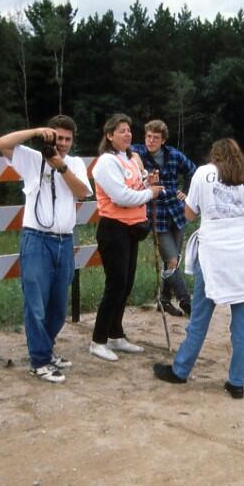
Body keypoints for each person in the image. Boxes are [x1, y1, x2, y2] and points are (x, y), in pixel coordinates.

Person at [152, 138, 244, 399]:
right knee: (242, 322)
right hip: (241, 254)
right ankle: (237, 382)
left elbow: (189, 214)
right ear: (238, 154)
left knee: (200, 317)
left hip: (214, 254)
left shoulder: (203, 174)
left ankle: (181, 370)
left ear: (214, 155)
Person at [0, 115, 92, 383]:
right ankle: (39, 361)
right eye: (57, 138)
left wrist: (60, 167)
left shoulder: (73, 163)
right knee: (36, 303)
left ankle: (46, 351)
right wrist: (36, 131)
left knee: (58, 306)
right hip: (36, 238)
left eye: (67, 139)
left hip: (64, 240)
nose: (61, 143)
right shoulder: (32, 159)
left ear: (73, 141)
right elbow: (1, 143)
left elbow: (83, 193)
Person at [89, 114, 164, 361]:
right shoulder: (105, 163)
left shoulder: (131, 158)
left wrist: (147, 183)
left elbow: (135, 186)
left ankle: (116, 334)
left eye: (129, 130)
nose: (128, 134)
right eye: (121, 130)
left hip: (131, 228)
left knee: (126, 283)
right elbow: (121, 196)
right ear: (109, 135)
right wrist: (149, 194)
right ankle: (98, 340)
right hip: (113, 229)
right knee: (115, 284)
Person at [130, 119, 197, 318]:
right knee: (172, 260)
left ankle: (164, 300)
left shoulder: (174, 155)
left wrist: (186, 192)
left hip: (177, 212)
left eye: (155, 137)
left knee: (173, 261)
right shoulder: (138, 152)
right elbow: (125, 153)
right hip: (156, 214)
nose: (151, 141)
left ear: (163, 140)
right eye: (148, 136)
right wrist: (137, 162)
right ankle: (186, 301)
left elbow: (194, 172)